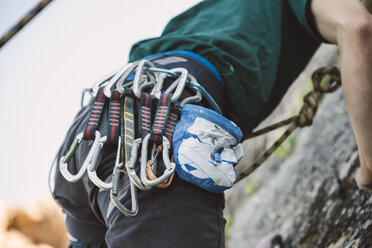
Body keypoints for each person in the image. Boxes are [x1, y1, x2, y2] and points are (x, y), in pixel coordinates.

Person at [50, 0, 372, 247]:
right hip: (159, 130)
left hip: (91, 134)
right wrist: (368, 164)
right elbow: (357, 27)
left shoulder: (216, 11)